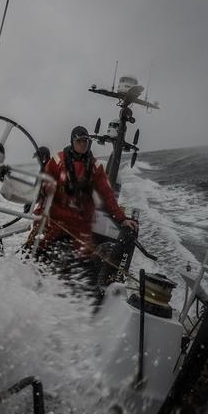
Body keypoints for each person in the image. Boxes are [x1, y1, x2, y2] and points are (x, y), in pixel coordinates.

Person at [28, 126, 138, 294]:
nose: (83, 144)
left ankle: (78, 295)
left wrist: (122, 219)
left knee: (83, 265)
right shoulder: (57, 161)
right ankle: (28, 282)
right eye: (79, 141)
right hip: (54, 220)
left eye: (86, 141)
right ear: (72, 141)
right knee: (33, 250)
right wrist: (45, 191)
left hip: (80, 226)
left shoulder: (95, 167)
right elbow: (44, 185)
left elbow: (108, 194)